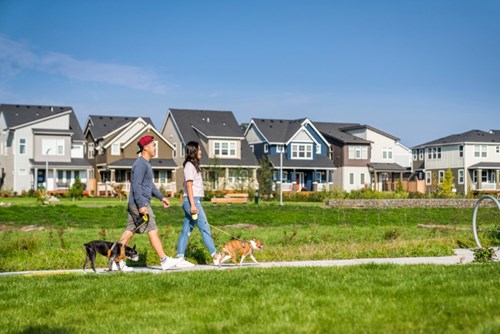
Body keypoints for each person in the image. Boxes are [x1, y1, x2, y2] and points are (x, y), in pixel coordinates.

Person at [115, 135, 180, 271]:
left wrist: (161, 197)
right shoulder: (140, 164)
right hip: (140, 203)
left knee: (129, 232)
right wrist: (141, 205)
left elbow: (149, 185)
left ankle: (117, 261)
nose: (155, 148)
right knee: (153, 229)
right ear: (145, 147)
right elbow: (137, 186)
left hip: (137, 202)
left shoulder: (146, 164)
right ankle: (164, 260)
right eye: (153, 145)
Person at [175, 141, 222, 267]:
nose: (201, 152)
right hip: (192, 201)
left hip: (191, 200)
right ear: (193, 151)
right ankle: (215, 256)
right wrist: (193, 205)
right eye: (199, 150)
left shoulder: (192, 166)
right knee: (205, 228)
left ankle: (179, 257)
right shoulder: (189, 166)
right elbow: (189, 186)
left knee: (186, 230)